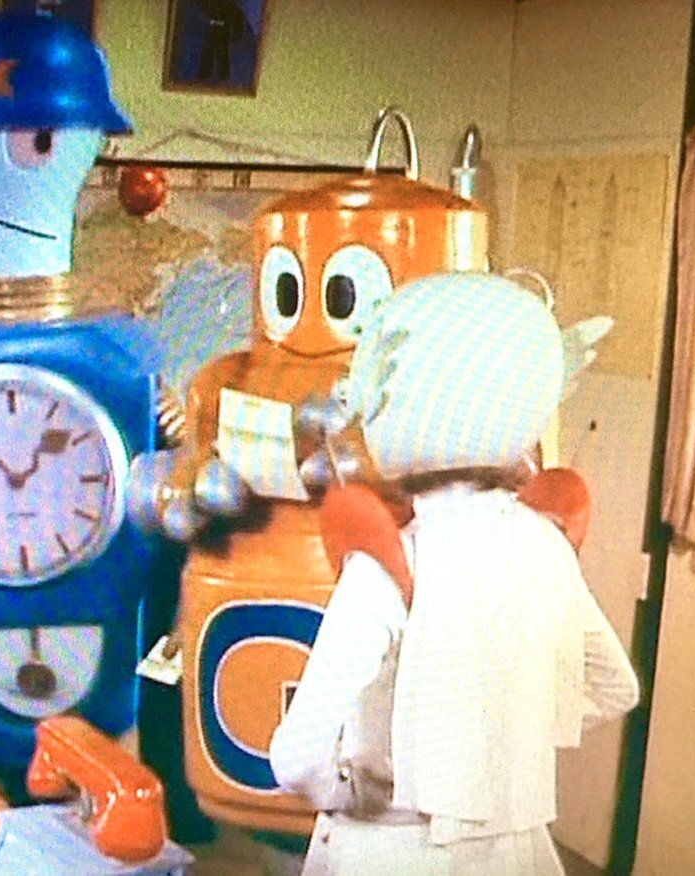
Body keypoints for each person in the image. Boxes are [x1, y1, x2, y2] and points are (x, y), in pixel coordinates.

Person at [268, 272, 640, 875]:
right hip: (516, 852)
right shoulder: (546, 546)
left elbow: (296, 757)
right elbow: (616, 688)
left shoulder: (390, 567)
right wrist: (502, 741)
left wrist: (349, 794)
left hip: (388, 850)